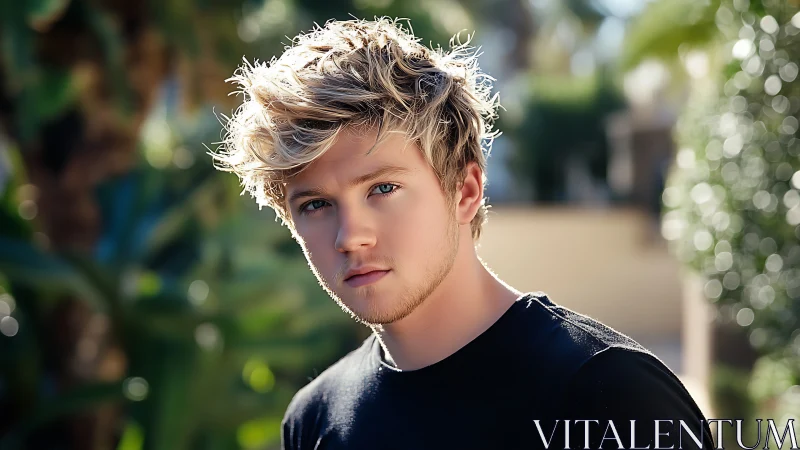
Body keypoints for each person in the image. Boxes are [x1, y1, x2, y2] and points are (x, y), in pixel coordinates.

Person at [212, 17, 716, 450]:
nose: (350, 236)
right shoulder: (314, 420)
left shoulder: (608, 393)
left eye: (382, 188)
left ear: (466, 190)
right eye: (316, 205)